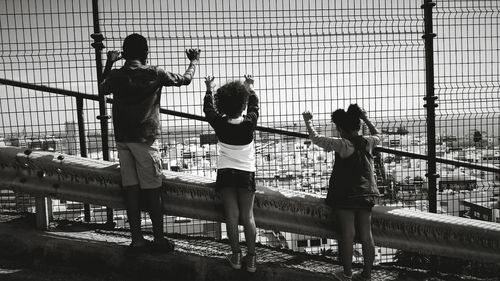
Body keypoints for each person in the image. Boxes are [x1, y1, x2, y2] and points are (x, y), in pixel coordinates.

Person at [100, 33, 201, 253]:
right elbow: (185, 80)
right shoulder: (155, 73)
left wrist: (109, 61)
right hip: (145, 140)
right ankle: (158, 239)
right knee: (153, 190)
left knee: (131, 190)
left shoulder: (117, 75)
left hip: (122, 139)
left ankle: (136, 239)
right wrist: (193, 61)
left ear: (124, 54)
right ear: (146, 53)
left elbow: (102, 86)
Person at [302, 104, 381, 281]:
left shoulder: (343, 144)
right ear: (359, 126)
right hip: (366, 194)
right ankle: (367, 275)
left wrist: (308, 122)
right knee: (367, 235)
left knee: (347, 234)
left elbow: (316, 139)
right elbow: (379, 135)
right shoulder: (368, 142)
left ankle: (347, 274)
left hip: (346, 196)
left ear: (341, 129)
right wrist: (366, 118)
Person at [203, 75, 259, 272]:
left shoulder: (219, 123)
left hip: (226, 172)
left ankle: (236, 256)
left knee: (232, 216)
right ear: (242, 104)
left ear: (222, 104)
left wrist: (209, 89)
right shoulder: (249, 123)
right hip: (246, 173)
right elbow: (254, 105)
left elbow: (208, 110)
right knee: (248, 216)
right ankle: (251, 259)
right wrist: (249, 87)